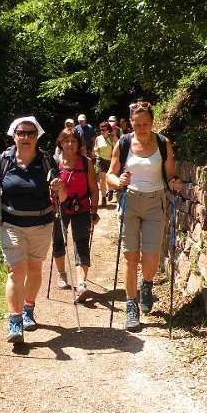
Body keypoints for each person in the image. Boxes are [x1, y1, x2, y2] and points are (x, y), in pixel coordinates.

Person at [0, 116, 67, 344]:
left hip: (41, 223)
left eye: (30, 133)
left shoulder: (47, 160)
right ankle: (15, 320)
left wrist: (60, 188)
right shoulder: (3, 160)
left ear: (37, 136)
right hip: (11, 224)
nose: (26, 137)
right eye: (21, 133)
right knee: (17, 270)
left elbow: (62, 196)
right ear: (14, 135)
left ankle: (29, 308)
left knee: (35, 269)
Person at [106, 101, 182, 331]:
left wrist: (173, 183)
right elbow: (110, 174)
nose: (142, 129)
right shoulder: (124, 143)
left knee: (151, 256)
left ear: (152, 122)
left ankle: (146, 285)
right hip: (130, 201)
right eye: (137, 124)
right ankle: (131, 306)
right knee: (131, 257)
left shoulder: (162, 143)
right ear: (130, 123)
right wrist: (117, 182)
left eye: (146, 124)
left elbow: (170, 174)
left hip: (155, 202)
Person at [52, 129, 99, 298]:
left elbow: (94, 189)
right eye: (66, 141)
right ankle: (61, 274)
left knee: (81, 243)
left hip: (82, 208)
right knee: (58, 239)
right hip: (59, 207)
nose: (70, 144)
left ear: (79, 144)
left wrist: (94, 210)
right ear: (61, 143)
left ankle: (81, 283)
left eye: (73, 141)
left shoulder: (86, 163)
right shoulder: (55, 162)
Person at [93, 121, 117, 206]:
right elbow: (95, 148)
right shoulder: (98, 138)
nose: (102, 131)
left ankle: (110, 191)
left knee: (109, 178)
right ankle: (103, 198)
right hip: (100, 159)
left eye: (104, 130)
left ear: (108, 130)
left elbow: (118, 148)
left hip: (111, 160)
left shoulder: (112, 138)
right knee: (102, 180)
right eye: (101, 130)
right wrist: (96, 149)